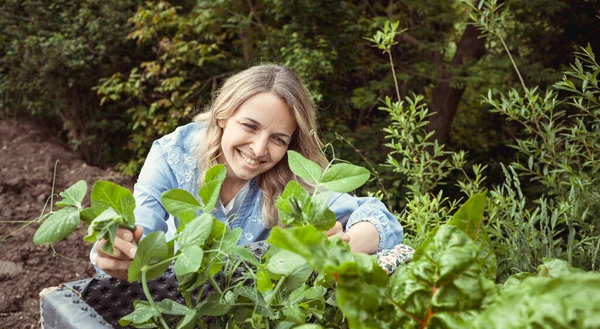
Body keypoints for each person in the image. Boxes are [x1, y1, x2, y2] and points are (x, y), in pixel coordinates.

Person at [92, 64, 403, 280]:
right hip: (176, 291)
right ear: (225, 114)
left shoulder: (291, 175)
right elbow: (138, 230)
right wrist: (118, 253)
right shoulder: (173, 154)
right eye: (250, 126)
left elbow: (376, 216)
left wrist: (345, 242)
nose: (258, 150)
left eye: (278, 139)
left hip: (252, 308)